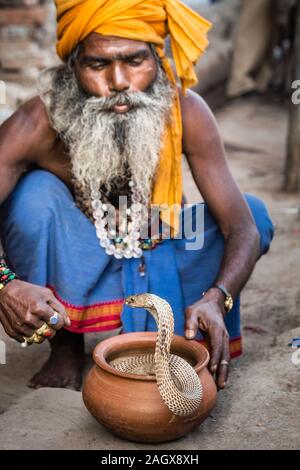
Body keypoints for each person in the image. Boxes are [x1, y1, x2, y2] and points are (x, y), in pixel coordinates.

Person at [0, 0, 274, 392]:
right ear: (72, 67)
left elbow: (242, 229)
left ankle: (189, 322)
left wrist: (218, 296)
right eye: (98, 64)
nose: (119, 81)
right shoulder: (36, 123)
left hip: (161, 251)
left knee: (254, 213)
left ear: (158, 61)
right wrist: (5, 283)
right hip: (79, 260)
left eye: (135, 61)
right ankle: (65, 347)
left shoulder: (186, 111)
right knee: (31, 197)